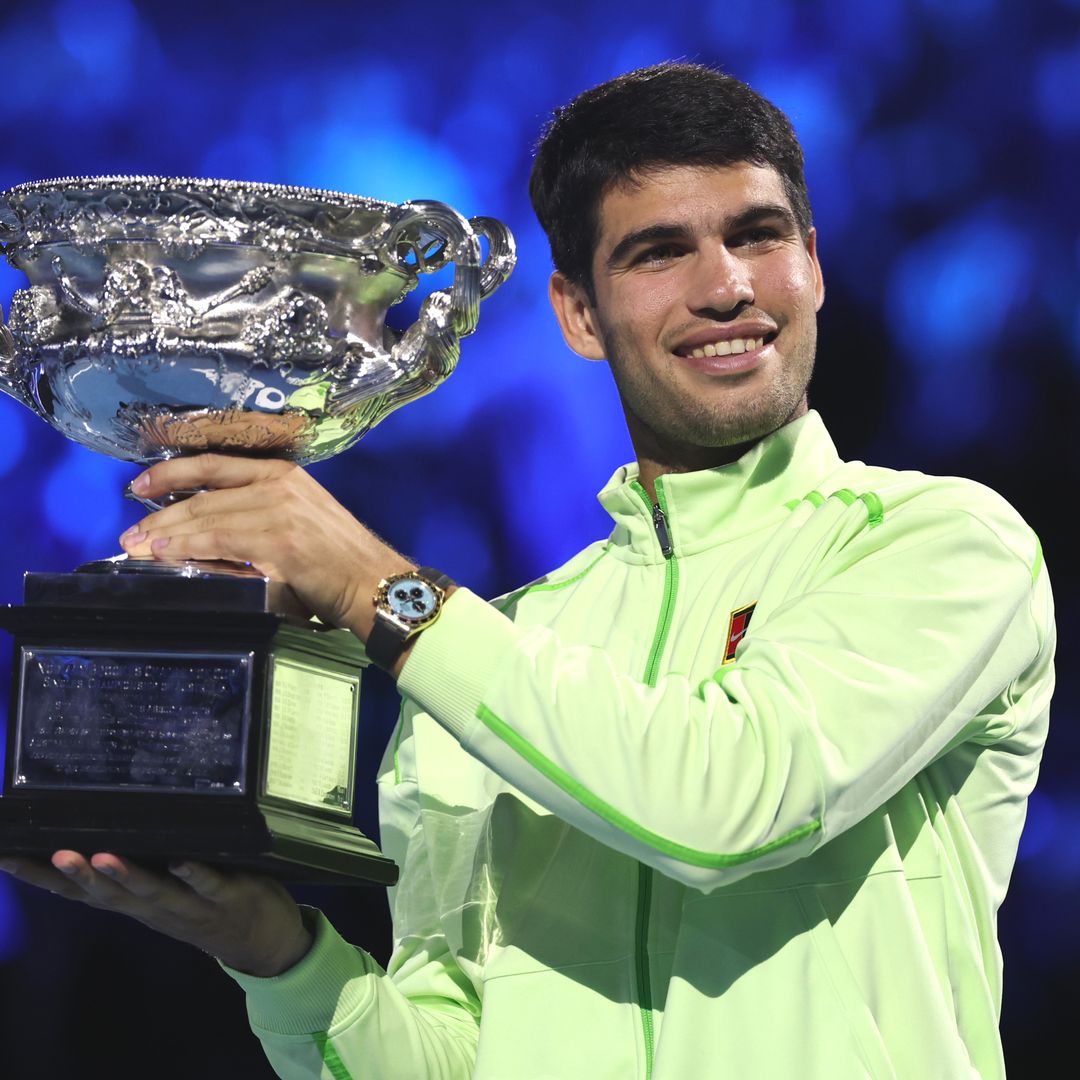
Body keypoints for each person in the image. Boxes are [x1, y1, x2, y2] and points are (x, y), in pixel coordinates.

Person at [0, 63, 1054, 1079]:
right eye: (658, 252)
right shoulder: (493, 652)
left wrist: (372, 585)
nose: (726, 285)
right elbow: (454, 1057)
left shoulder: (942, 544)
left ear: (813, 266)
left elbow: (728, 800)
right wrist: (279, 955)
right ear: (578, 315)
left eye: (756, 235)